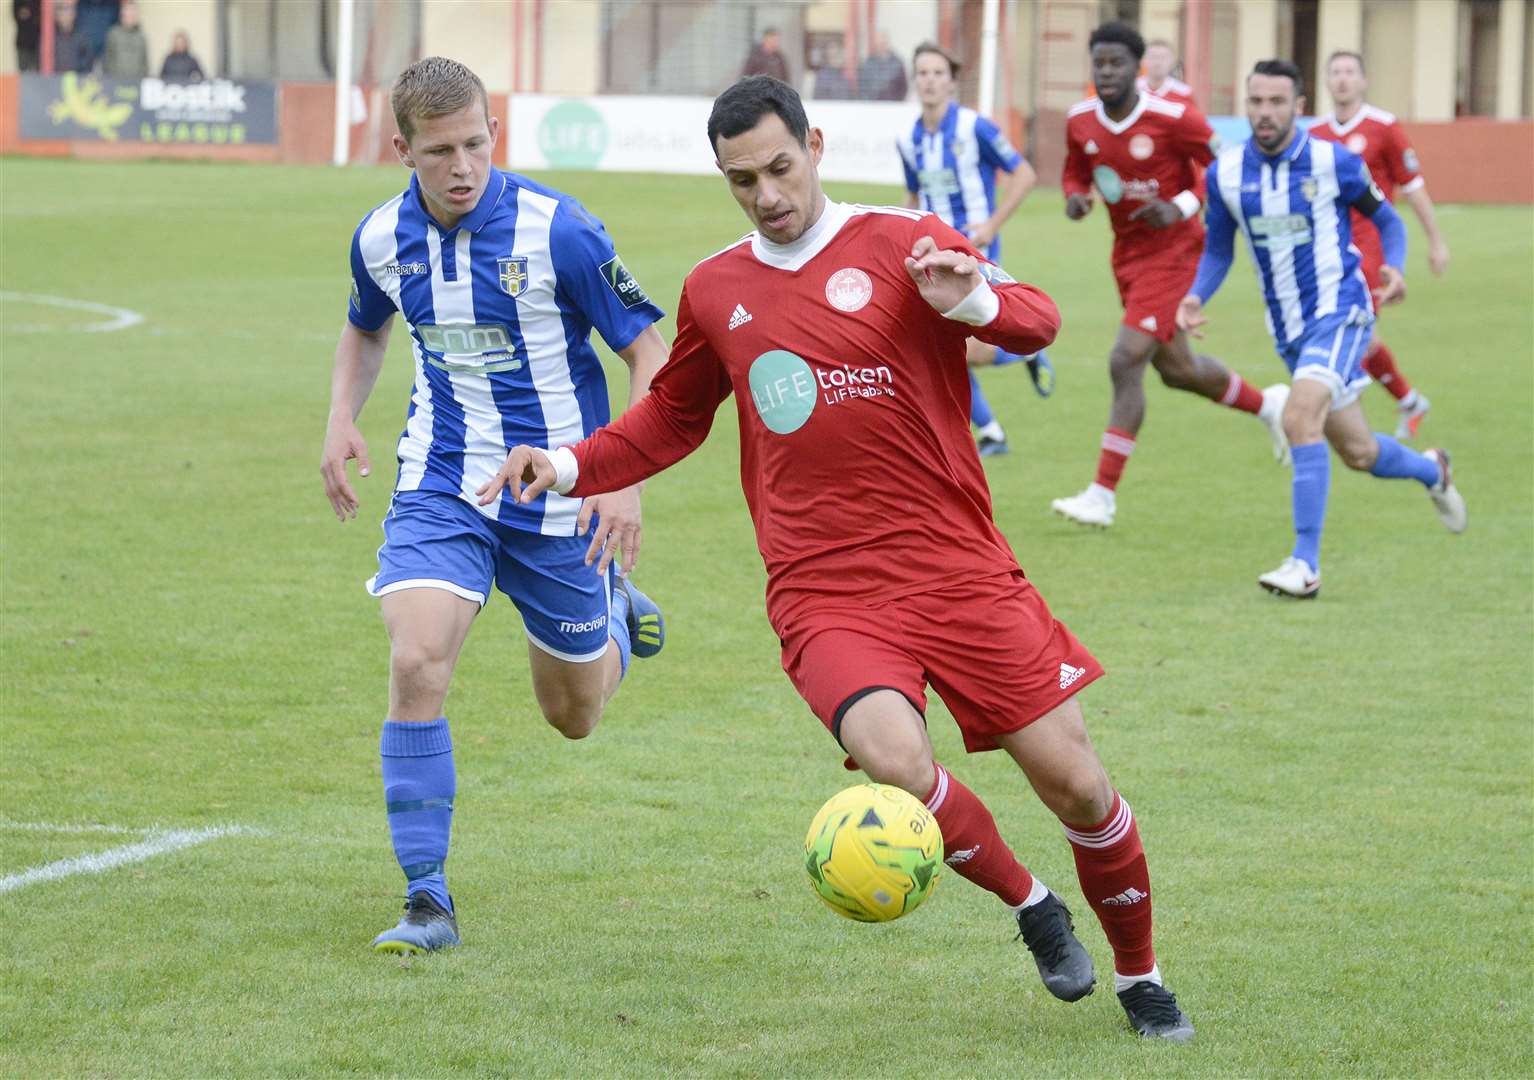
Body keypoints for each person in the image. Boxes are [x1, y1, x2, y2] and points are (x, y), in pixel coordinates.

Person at [485, 75, 1197, 1043]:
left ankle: (1141, 978)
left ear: (814, 146)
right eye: (744, 181)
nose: (768, 194)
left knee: (1076, 784)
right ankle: (1032, 904)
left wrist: (975, 293)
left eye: (780, 168)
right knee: (893, 759)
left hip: (956, 566)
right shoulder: (716, 287)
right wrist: (567, 462)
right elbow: (672, 419)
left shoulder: (903, 240)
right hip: (824, 590)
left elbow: (1037, 323)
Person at [319, 56, 672, 954]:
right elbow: (366, 326)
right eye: (440, 151)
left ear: (494, 134)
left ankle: (618, 620)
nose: (463, 165)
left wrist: (622, 474)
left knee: (574, 716)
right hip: (442, 482)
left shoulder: (561, 231)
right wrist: (339, 421)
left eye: (476, 143)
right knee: (416, 662)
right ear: (402, 149)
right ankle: (426, 899)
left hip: (560, 489)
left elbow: (650, 353)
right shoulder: (379, 239)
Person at [1177, 60, 1466, 598]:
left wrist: (1395, 264)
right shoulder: (1227, 174)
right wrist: (1196, 295)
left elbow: (1386, 219)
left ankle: (1304, 564)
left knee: (1298, 413)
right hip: (1288, 330)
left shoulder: (1335, 163)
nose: (1265, 113)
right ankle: (1433, 471)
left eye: (1277, 102)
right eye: (1256, 102)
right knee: (1358, 452)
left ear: (1299, 107)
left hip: (1342, 310)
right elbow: (1218, 247)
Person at [1051, 22, 1286, 528]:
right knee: (1178, 370)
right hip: (1128, 256)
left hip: (1178, 253)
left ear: (1138, 69)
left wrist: (1180, 205)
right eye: (1100, 63)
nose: (1107, 71)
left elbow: (1226, 166)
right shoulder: (1080, 121)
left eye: (1117, 63)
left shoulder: (1174, 117)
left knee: (1125, 358)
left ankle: (1102, 495)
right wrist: (1076, 195)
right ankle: (1269, 405)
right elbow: (1075, 169)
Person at [897, 42, 1052, 458]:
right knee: (940, 344)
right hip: (931, 256)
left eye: (937, 73)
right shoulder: (908, 138)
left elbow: (1024, 174)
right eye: (922, 73)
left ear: (951, 82)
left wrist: (990, 225)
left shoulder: (975, 128)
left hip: (973, 253)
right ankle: (991, 433)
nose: (929, 80)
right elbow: (913, 195)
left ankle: (1025, 351)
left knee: (968, 349)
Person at [1311, 50, 1446, 438]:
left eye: (1350, 72)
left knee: (1359, 331)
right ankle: (1407, 401)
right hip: (1327, 252)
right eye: (1335, 72)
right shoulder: (1315, 134)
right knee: (1349, 331)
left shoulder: (1383, 126)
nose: (1342, 79)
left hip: (1370, 248)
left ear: (1363, 80)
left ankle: (1331, 410)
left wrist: (1436, 241)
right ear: (1326, 81)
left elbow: (1413, 185)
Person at [1137, 39, 1194, 106]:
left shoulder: (1184, 92)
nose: (1157, 62)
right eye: (1153, 57)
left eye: (1163, 58)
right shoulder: (1134, 89)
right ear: (1142, 60)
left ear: (1173, 62)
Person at [101, 0, 148, 79]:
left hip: (136, 81)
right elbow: (107, 60)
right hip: (116, 81)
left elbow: (145, 63)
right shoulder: (113, 34)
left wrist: (142, 78)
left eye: (133, 13)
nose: (131, 16)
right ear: (122, 14)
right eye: (128, 13)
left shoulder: (141, 37)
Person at [858, 30, 907, 101]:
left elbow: (903, 87)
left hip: (892, 106)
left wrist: (897, 102)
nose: (881, 45)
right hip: (872, 106)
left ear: (887, 42)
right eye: (879, 43)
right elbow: (862, 86)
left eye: (883, 42)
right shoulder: (868, 63)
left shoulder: (897, 63)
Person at [50, 2, 93, 74]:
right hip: (54, 80)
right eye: (61, 12)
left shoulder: (82, 39)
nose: (65, 16)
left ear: (74, 14)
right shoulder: (50, 39)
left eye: (68, 12)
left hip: (75, 81)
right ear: (56, 16)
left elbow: (87, 64)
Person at [14, 0, 40, 71]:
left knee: (37, 73)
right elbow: (18, 15)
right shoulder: (18, 2)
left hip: (38, 43)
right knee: (24, 74)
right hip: (23, 43)